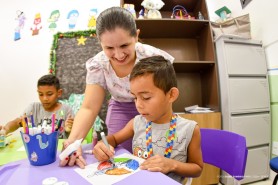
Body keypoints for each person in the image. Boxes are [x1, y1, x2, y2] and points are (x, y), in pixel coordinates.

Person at [59, 6, 174, 167]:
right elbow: (89, 108)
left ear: (136, 36)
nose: (119, 55)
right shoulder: (98, 65)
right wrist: (73, 143)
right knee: (121, 156)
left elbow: (166, 97)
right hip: (120, 106)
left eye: (124, 45)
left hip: (154, 107)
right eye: (109, 48)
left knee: (157, 154)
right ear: (100, 43)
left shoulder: (153, 57)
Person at [92, 56, 203, 183]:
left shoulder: (190, 129)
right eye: (135, 97)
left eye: (145, 97)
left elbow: (197, 168)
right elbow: (115, 139)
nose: (138, 104)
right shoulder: (137, 122)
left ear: (171, 95)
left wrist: (173, 165)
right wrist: (102, 144)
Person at [0, 74, 74, 139]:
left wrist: (69, 130)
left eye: (49, 94)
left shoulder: (66, 109)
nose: (45, 99)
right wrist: (5, 129)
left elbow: (74, 135)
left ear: (59, 93)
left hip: (58, 149)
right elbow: (17, 122)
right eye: (41, 94)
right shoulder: (33, 108)